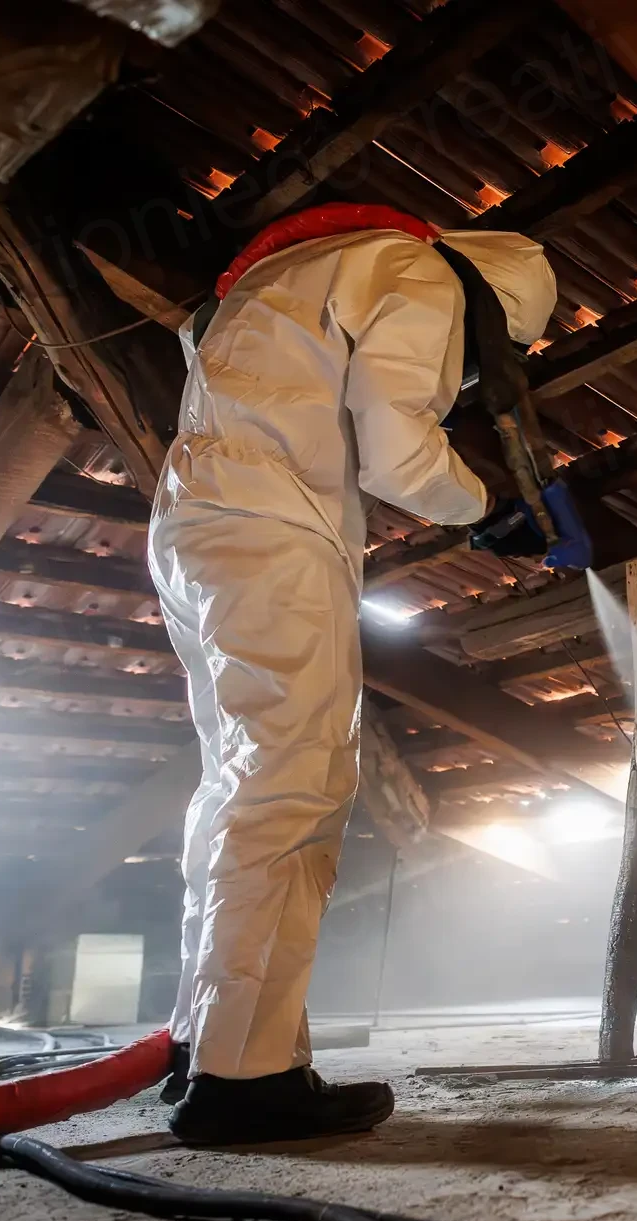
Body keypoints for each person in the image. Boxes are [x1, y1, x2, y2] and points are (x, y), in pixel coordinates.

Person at [148, 203, 559, 1145]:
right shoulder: (418, 273)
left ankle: (203, 1042)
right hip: (274, 532)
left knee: (236, 791)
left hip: (197, 532)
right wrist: (489, 506)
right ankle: (241, 1080)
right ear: (494, 305)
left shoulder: (288, 280)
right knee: (294, 785)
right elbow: (398, 448)